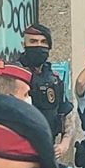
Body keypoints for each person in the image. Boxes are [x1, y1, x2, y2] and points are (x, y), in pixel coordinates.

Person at [18, 23, 73, 152]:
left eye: (43, 42)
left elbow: (66, 112)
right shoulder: (15, 74)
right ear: (24, 44)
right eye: (33, 41)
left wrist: (64, 143)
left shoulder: (54, 78)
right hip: (21, 150)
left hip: (48, 148)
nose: (38, 46)